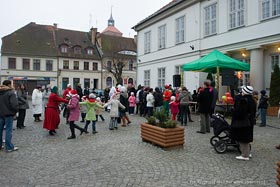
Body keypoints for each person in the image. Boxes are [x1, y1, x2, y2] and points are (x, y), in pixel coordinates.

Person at [231, 86, 256, 161]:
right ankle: (247, 152)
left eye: (243, 91)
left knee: (243, 138)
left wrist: (233, 111)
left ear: (245, 92)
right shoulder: (252, 100)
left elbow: (240, 113)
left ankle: (245, 155)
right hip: (250, 121)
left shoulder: (244, 100)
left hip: (243, 122)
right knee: (247, 138)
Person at [0, 80, 19, 152]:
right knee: (8, 130)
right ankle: (9, 147)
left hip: (0, 114)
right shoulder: (10, 92)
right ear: (8, 85)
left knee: (0, 130)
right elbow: (14, 104)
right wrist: (15, 112)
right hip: (8, 114)